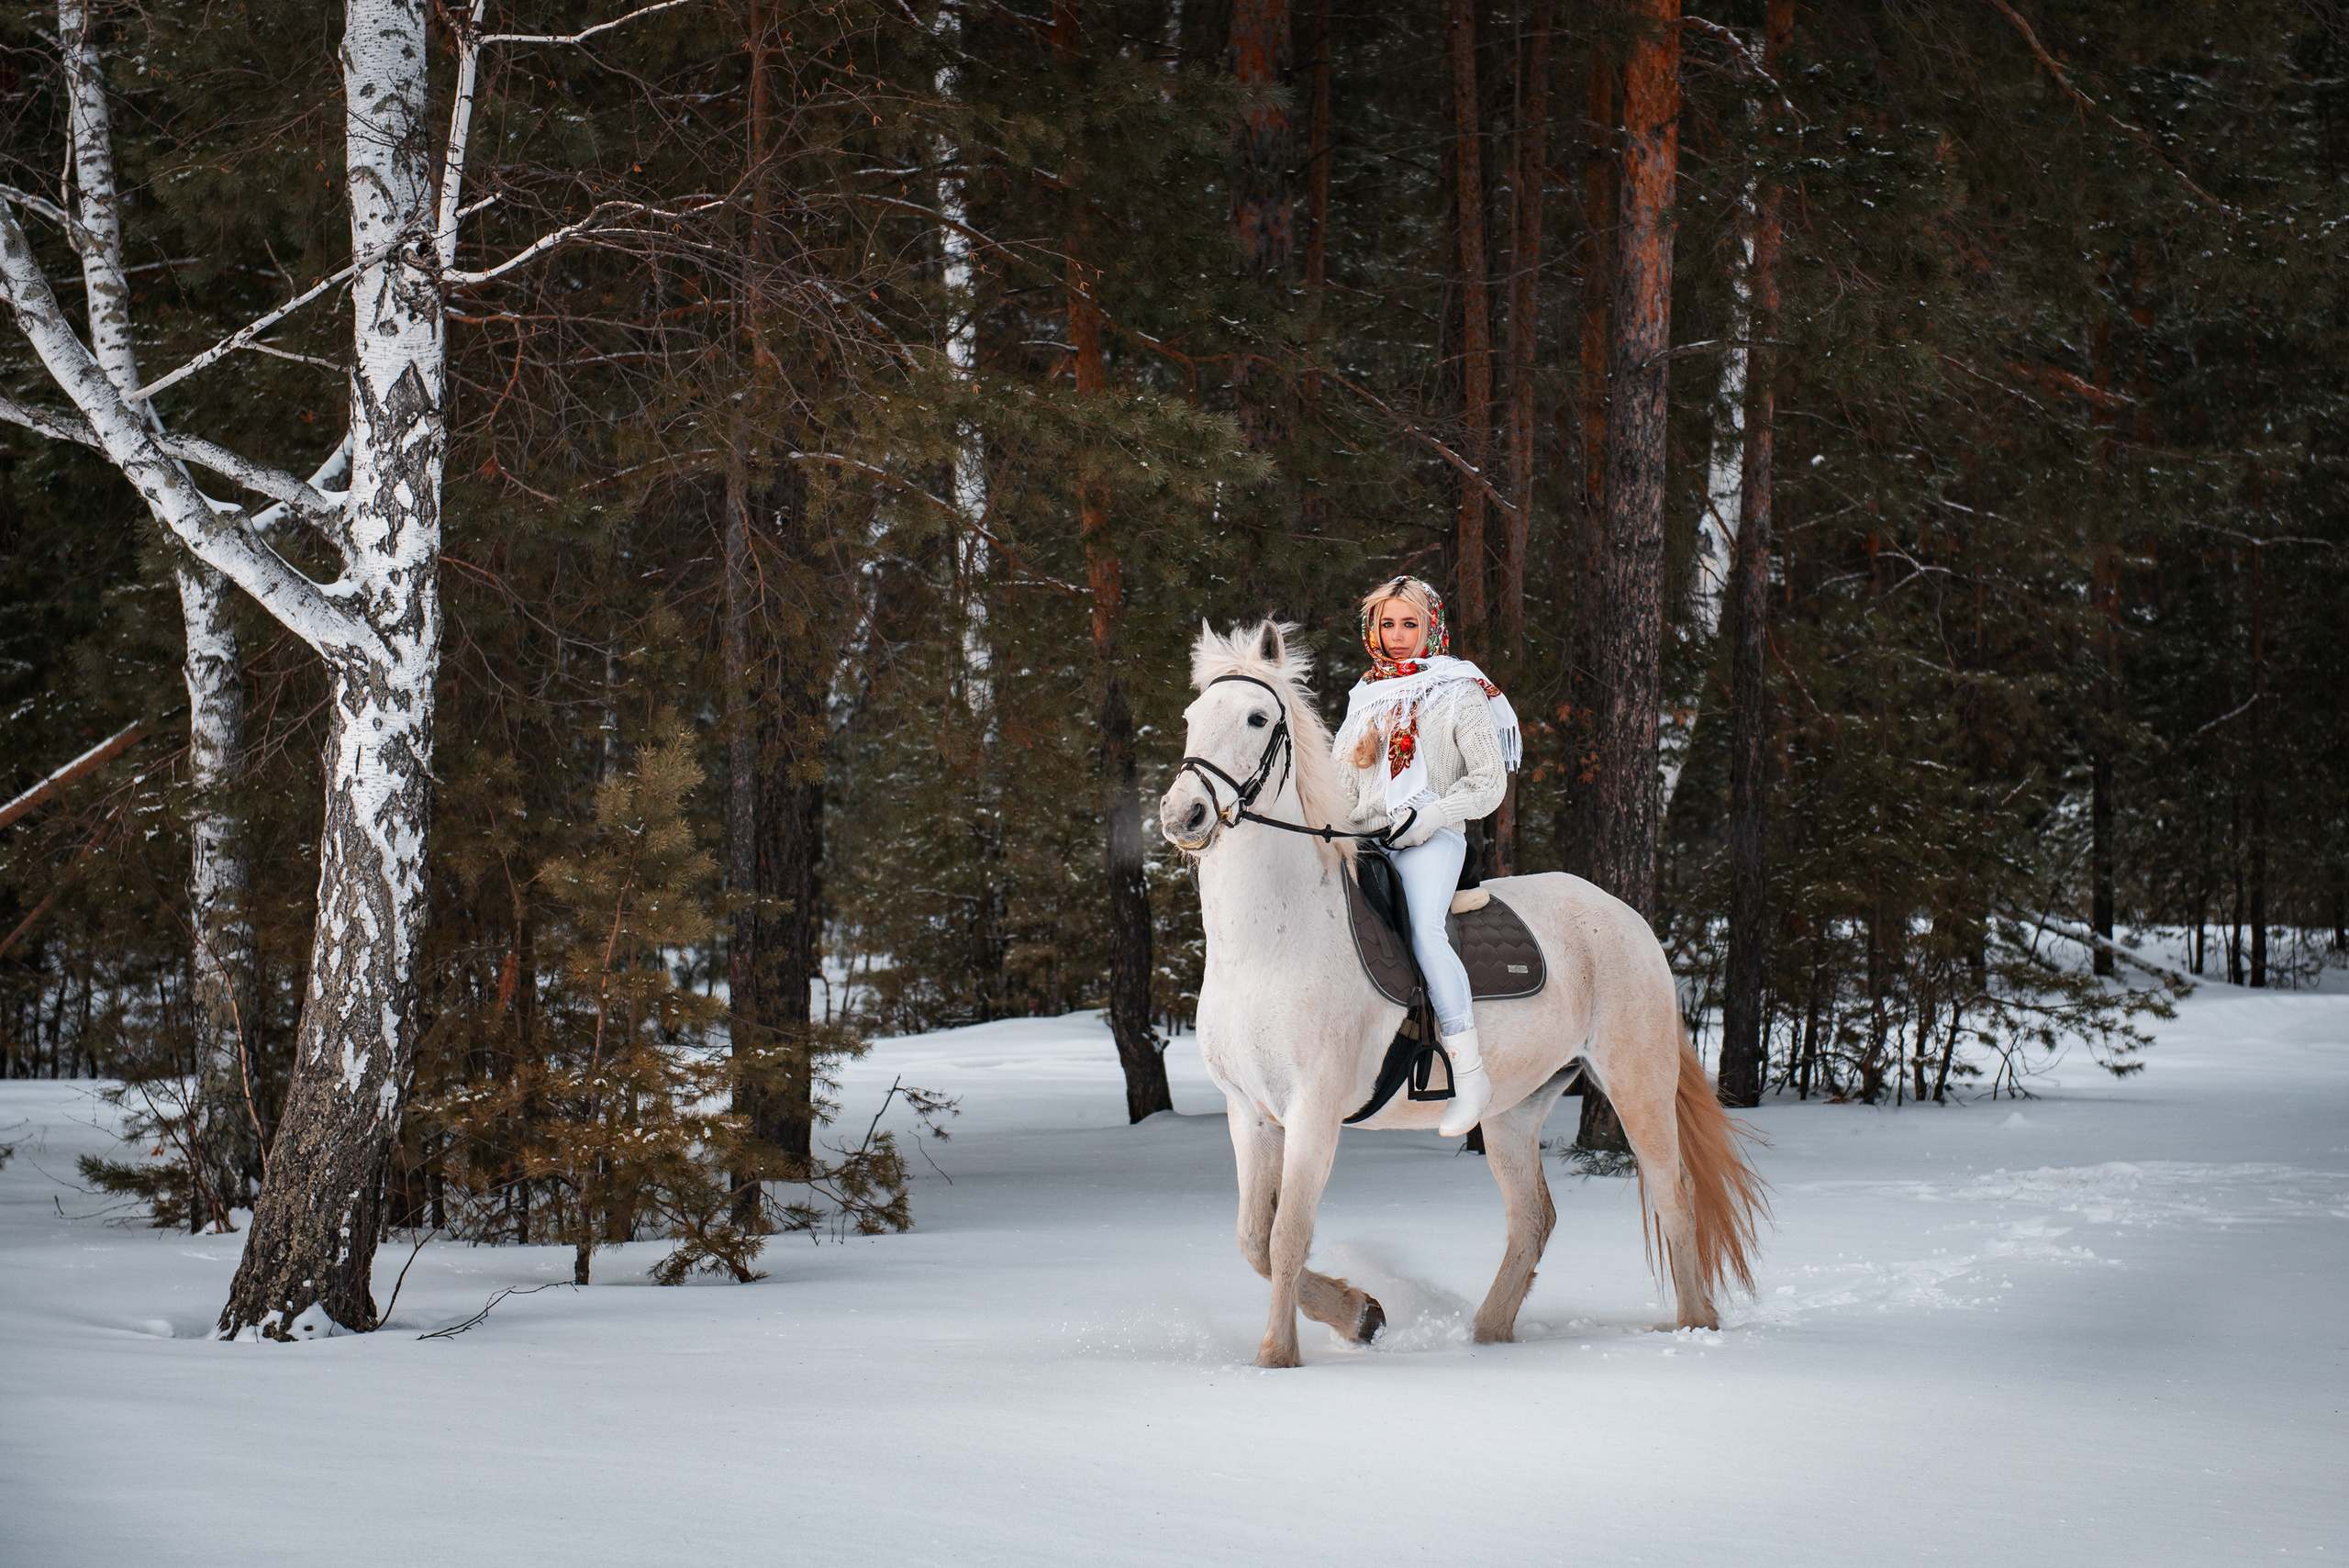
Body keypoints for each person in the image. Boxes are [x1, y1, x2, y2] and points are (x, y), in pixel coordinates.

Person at [1331, 576, 1521, 1136]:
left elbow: (1488, 783)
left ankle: (1470, 1073)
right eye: (1387, 624)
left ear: (1431, 627)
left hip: (1431, 837)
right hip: (1366, 838)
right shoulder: (1365, 697)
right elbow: (1343, 786)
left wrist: (1432, 816)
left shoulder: (1460, 689)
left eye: (1409, 624)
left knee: (1424, 932)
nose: (1397, 635)